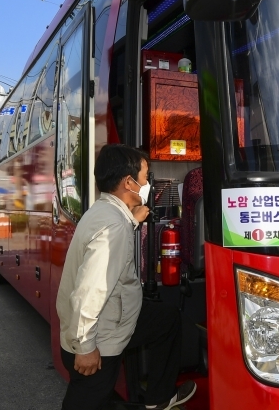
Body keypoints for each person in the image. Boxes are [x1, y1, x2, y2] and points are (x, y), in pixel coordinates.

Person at [56, 144, 197, 410]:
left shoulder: (104, 212)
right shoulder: (113, 226)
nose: (147, 183)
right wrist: (85, 346)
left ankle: (159, 398)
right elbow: (91, 290)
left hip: (115, 319)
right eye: (145, 177)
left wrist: (133, 221)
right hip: (98, 338)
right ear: (128, 182)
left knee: (167, 319)